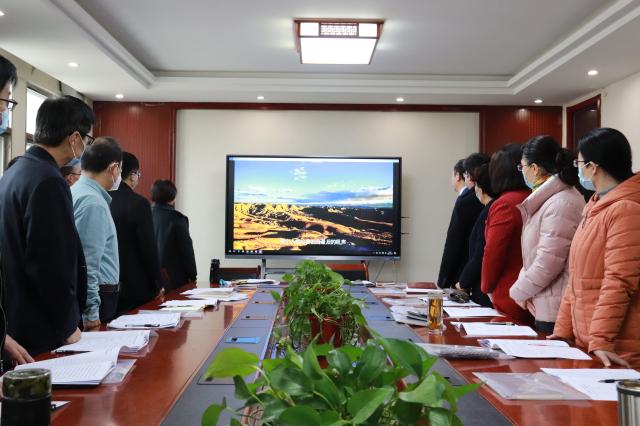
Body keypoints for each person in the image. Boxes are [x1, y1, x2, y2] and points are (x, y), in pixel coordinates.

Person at [0, 94, 92, 356]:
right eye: (87, 139)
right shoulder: (49, 180)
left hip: (15, 317)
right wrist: (67, 325)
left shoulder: (15, 172)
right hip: (41, 326)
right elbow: (49, 263)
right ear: (74, 138)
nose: (85, 147)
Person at [551, 128, 640, 368]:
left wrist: (601, 339)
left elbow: (619, 281)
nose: (577, 169)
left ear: (593, 167)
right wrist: (562, 332)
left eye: (579, 163)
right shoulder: (595, 206)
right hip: (589, 342)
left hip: (617, 346)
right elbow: (576, 280)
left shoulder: (626, 210)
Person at [508, 136, 585, 334]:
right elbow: (533, 256)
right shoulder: (547, 199)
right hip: (545, 303)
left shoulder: (560, 203)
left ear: (535, 168)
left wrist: (517, 292)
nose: (521, 171)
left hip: (556, 310)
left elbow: (548, 263)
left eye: (522, 166)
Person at [72, 137, 122, 328]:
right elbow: (88, 264)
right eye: (120, 170)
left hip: (95, 294)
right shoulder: (93, 202)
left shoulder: (78, 191)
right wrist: (91, 313)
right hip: (98, 298)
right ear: (114, 168)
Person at [481, 144, 533, 324]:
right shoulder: (534, 197)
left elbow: (494, 251)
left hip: (509, 292)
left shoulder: (505, 204)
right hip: (533, 291)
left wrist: (487, 286)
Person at [110, 152, 163, 314]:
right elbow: (148, 247)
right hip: (136, 288)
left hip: (107, 286)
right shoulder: (139, 203)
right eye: (138, 174)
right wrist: (157, 283)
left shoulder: (103, 199)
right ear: (132, 175)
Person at [437, 155, 487, 288]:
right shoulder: (490, 199)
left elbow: (453, 244)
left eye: (468, 174)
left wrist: (442, 281)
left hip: (463, 275)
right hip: (479, 273)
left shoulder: (465, 201)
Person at [456, 163, 495, 307]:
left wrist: (463, 282)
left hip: (483, 290)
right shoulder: (490, 209)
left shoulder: (488, 212)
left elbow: (481, 253)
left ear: (481, 187)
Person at [151, 179, 197, 291]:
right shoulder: (177, 219)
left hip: (149, 278)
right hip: (174, 279)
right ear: (172, 198)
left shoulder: (145, 214)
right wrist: (193, 275)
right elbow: (187, 250)